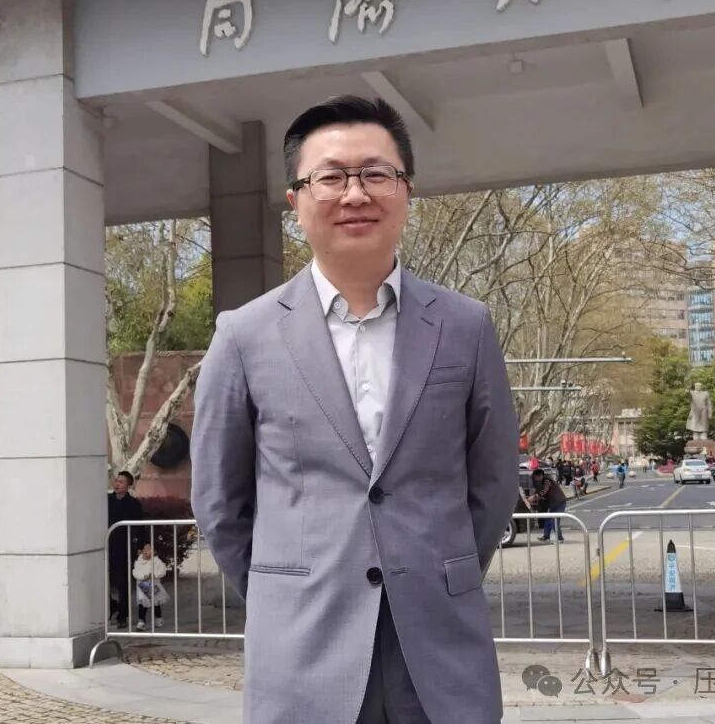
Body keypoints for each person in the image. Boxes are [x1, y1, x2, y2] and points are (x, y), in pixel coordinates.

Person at [191, 97, 519, 724]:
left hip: (439, 646)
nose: (355, 194)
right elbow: (219, 502)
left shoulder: (465, 325)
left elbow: (494, 482)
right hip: (303, 648)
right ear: (296, 200)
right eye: (331, 177)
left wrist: (436, 569)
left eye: (375, 174)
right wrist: (287, 584)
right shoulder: (244, 335)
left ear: (406, 190)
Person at [107, 471, 143, 629]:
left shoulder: (133, 504)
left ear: (128, 485)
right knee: (102, 580)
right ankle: (112, 606)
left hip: (124, 547)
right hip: (107, 545)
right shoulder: (107, 501)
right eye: (116, 481)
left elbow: (140, 527)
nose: (117, 484)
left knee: (123, 582)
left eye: (121, 482)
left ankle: (123, 614)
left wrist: (142, 545)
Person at [133, 542, 169, 631]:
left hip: (154, 584)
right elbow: (135, 572)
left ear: (154, 551)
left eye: (149, 549)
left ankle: (158, 618)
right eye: (144, 549)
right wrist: (143, 577)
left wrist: (155, 575)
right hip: (142, 585)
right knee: (142, 602)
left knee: (156, 603)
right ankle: (141, 621)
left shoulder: (157, 561)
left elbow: (162, 571)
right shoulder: (139, 562)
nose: (146, 551)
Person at [530, 468, 566, 543]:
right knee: (548, 519)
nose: (536, 479)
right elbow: (542, 493)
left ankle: (560, 539)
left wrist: (534, 497)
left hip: (559, 502)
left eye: (536, 477)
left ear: (540, 475)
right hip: (553, 503)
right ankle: (546, 536)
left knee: (554, 520)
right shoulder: (542, 481)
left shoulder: (547, 480)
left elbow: (544, 492)